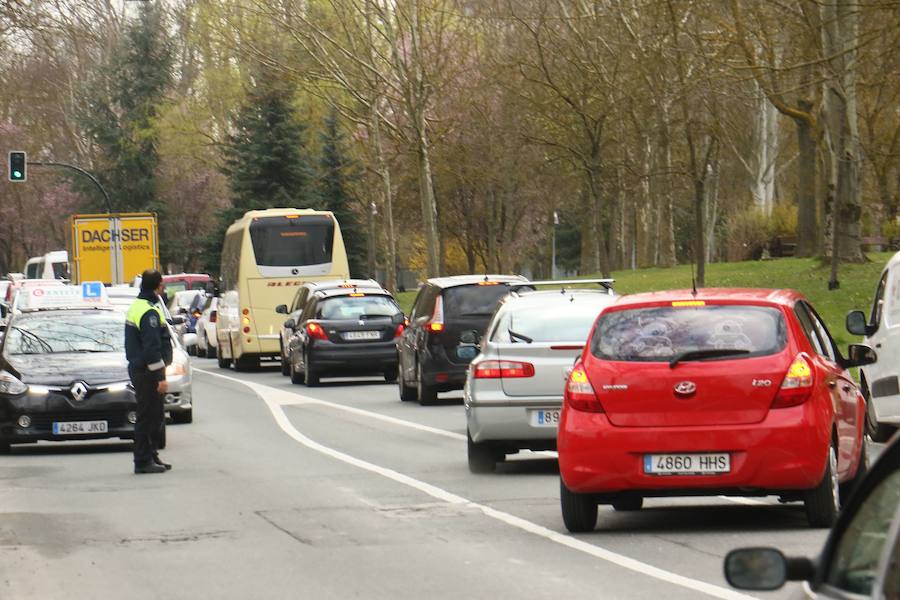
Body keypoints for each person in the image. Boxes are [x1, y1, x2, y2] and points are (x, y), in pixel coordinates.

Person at [125, 269, 173, 474]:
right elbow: (152, 349)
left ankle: (151, 454)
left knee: (154, 415)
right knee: (147, 416)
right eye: (162, 285)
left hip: (141, 370)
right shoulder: (149, 312)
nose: (163, 289)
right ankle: (143, 460)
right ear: (157, 286)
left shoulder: (140, 306)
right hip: (147, 373)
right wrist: (160, 377)